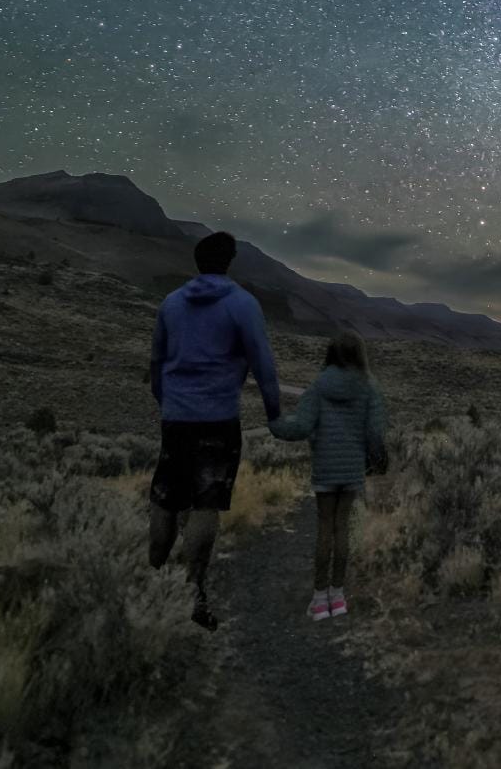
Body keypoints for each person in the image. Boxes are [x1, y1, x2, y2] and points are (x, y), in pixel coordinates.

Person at [148, 229, 280, 629]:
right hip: (218, 418)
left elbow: (156, 361)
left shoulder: (171, 304)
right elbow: (264, 365)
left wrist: (166, 401)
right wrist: (274, 415)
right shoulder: (242, 304)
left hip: (176, 417)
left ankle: (152, 578)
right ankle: (192, 593)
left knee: (166, 496)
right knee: (206, 502)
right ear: (229, 261)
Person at [268, 329, 388, 620]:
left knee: (324, 530)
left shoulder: (319, 386)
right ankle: (338, 596)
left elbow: (301, 427)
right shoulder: (369, 388)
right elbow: (374, 433)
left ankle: (320, 600)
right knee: (342, 529)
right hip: (351, 469)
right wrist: (378, 460)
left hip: (325, 468)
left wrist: (275, 422)